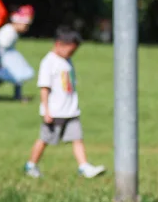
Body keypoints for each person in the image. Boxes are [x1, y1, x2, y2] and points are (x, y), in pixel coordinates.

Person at [24, 27, 105, 179]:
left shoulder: (67, 61)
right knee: (44, 140)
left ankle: (84, 166)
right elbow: (44, 88)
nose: (71, 54)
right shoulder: (49, 62)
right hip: (55, 111)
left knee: (77, 138)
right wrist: (46, 110)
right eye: (70, 50)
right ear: (59, 44)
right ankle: (31, 165)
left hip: (71, 110)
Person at [0, 5, 36, 101]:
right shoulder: (8, 31)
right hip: (4, 57)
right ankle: (16, 95)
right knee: (15, 73)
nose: (26, 28)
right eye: (25, 25)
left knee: (15, 74)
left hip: (9, 55)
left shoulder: (13, 31)